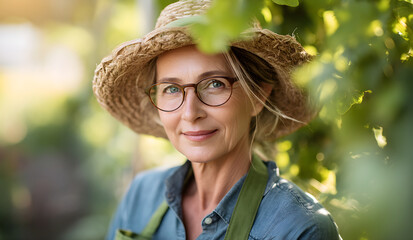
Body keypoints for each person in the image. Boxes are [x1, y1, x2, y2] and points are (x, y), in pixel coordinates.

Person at [93, 0, 341, 239]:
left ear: (258, 97)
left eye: (214, 84)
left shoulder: (300, 228)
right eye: (171, 88)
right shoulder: (141, 195)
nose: (190, 113)